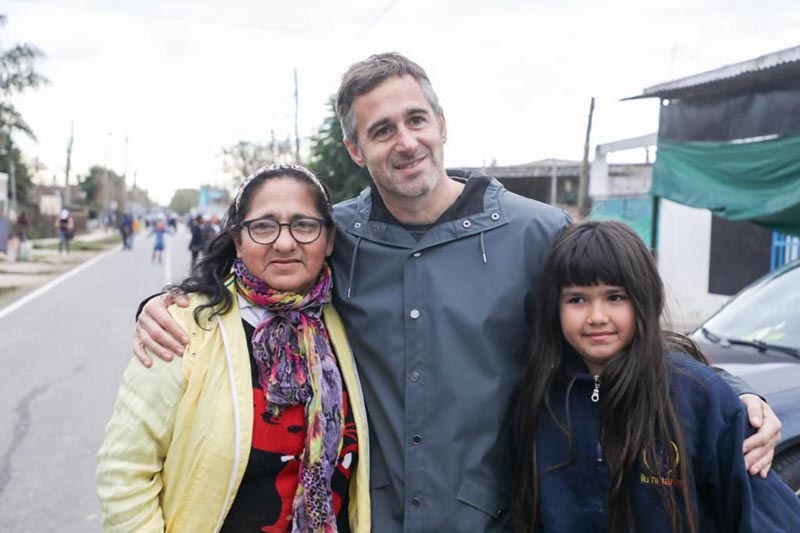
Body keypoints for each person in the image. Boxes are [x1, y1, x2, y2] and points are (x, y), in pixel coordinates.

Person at [132, 53, 780, 531]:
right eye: (382, 129)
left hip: (499, 519)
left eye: (416, 119)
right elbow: (256, 275)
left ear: (442, 123)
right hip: (367, 519)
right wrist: (163, 305)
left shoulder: (538, 232)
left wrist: (737, 394)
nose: (406, 141)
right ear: (357, 150)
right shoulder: (337, 237)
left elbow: (618, 328)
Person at [97, 163, 370, 532]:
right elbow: (125, 472)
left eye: (304, 225)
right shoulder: (181, 326)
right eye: (263, 226)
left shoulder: (352, 324)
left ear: (329, 240)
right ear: (238, 241)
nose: (285, 242)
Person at [513, 220, 800, 532]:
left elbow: (770, 519)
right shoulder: (539, 401)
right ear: (554, 308)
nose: (597, 317)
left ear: (644, 299)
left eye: (615, 297)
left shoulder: (700, 397)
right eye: (577, 299)